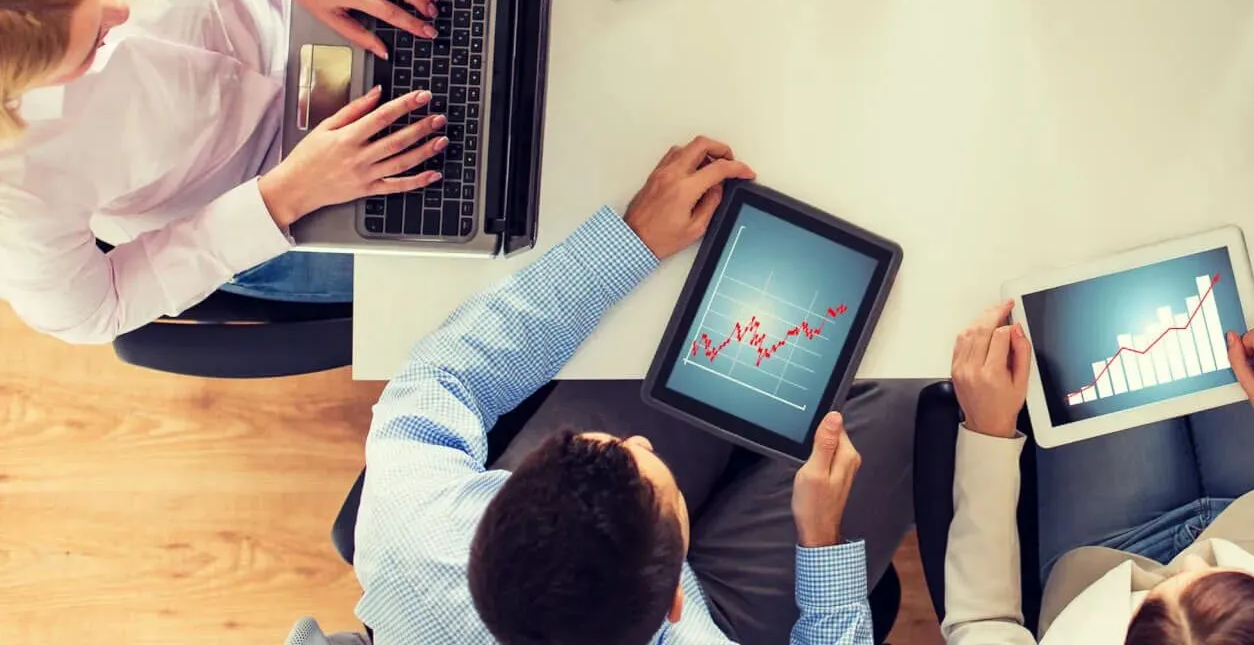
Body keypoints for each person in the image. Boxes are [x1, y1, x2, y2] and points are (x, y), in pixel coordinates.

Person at [351, 135, 917, 645]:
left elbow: (442, 374)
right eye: (653, 473)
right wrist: (822, 540)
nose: (641, 443)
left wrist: (633, 240)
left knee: (692, 339)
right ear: (675, 605)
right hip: (724, 623)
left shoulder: (415, 531)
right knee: (906, 398)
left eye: (606, 447)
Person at [0, 0, 450, 341]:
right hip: (267, 191)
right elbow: (95, 311)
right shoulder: (11, 194)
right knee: (498, 254)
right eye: (93, 41)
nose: (122, 11)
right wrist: (285, 197)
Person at [940, 304, 1254, 643]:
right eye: (1217, 575)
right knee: (1247, 296)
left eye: (1149, 600)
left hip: (1108, 552)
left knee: (1088, 307)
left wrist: (988, 430)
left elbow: (982, 623)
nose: (1194, 559)